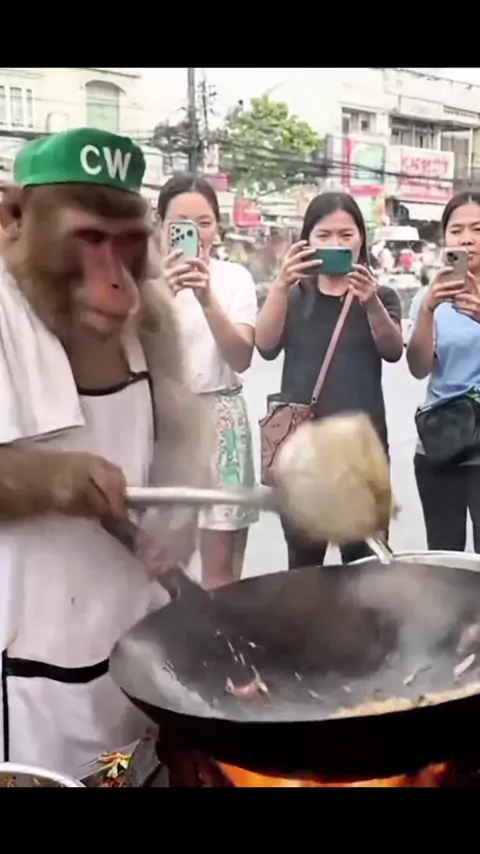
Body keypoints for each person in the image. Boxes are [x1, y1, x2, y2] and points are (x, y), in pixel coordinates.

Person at [0, 128, 210, 775]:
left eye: (128, 245)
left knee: (130, 767)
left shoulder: (151, 316)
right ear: (14, 218)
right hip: (28, 659)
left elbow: (183, 437)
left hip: (132, 638)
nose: (116, 282)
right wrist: (52, 479)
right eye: (90, 241)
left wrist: (179, 520)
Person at [255, 191, 404, 569]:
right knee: (304, 569)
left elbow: (392, 351)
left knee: (365, 571)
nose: (336, 244)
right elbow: (265, 345)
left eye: (346, 235)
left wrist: (370, 302)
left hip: (362, 456)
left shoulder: (381, 296)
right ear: (307, 241)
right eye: (324, 235)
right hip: (301, 457)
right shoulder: (295, 296)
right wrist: (281, 283)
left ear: (361, 240)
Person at [157, 175, 258, 590]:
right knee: (161, 562)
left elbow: (241, 356)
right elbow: (125, 348)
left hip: (221, 421)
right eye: (181, 223)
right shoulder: (140, 278)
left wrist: (206, 298)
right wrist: (160, 294)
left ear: (217, 226)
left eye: (204, 222)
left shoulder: (235, 279)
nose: (195, 233)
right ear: (160, 224)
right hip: (162, 423)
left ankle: (218, 633)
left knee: (220, 572)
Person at [407, 192, 480, 552]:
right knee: (444, 561)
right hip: (441, 446)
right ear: (445, 239)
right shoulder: (427, 298)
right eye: (457, 230)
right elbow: (418, 368)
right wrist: (427, 310)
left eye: (477, 229)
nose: (467, 239)